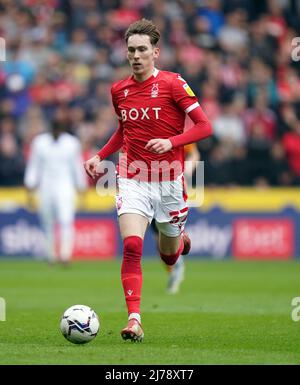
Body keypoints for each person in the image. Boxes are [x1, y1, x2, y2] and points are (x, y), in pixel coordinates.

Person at [84, 19, 212, 342]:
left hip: (169, 181)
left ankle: (180, 240)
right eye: (131, 50)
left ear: (156, 52)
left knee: (169, 254)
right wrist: (101, 155)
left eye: (143, 49)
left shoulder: (173, 83)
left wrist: (172, 142)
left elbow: (204, 126)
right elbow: (124, 130)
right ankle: (135, 320)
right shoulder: (119, 91)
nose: (136, 56)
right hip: (133, 177)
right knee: (131, 246)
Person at [24, 118, 87, 265]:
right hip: (45, 186)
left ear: (62, 130)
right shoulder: (39, 142)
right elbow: (34, 166)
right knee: (47, 222)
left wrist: (81, 189)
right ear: (51, 129)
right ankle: (50, 255)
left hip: (65, 186)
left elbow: (76, 167)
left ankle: (65, 256)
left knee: (66, 220)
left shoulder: (72, 143)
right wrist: (30, 186)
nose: (56, 133)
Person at [151, 139, 201, 295]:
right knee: (157, 234)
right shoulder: (143, 125)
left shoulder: (174, 130)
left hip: (171, 185)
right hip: (148, 184)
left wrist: (187, 169)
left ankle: (176, 263)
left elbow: (194, 153)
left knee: (166, 227)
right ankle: (175, 266)